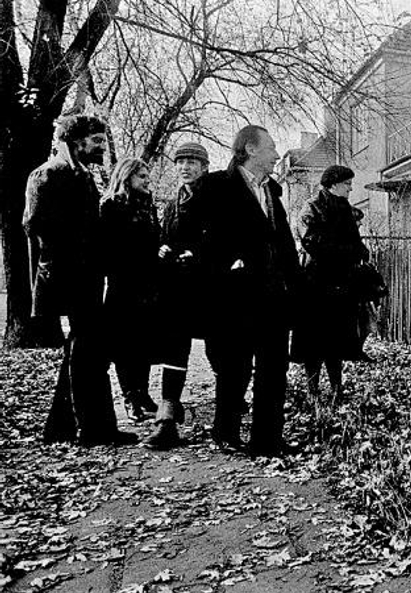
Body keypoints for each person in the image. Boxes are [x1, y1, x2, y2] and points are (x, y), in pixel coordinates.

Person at [23, 114, 138, 447]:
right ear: (76, 142)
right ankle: (95, 430)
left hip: (87, 279)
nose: (102, 146)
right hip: (65, 279)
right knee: (89, 351)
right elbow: (34, 226)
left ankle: (61, 428)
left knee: (85, 351)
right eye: (97, 140)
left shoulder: (84, 176)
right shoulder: (46, 175)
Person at [198, 125, 299, 457]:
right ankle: (225, 432)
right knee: (234, 366)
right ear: (251, 149)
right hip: (235, 296)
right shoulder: (215, 186)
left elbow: (283, 243)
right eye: (271, 148)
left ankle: (267, 439)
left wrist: (293, 285)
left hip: (273, 295)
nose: (275, 154)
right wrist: (225, 265)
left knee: (274, 367)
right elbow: (196, 235)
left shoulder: (271, 190)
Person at [143, 142, 210, 450]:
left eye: (192, 162)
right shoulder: (172, 202)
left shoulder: (216, 198)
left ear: (204, 166)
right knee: (174, 349)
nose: (185, 167)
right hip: (179, 289)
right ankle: (166, 418)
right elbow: (165, 236)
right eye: (181, 162)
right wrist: (164, 248)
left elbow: (226, 238)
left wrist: (199, 254)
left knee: (222, 352)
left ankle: (230, 414)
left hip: (213, 287)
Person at [291, 165, 370, 403]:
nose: (350, 188)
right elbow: (312, 241)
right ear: (333, 184)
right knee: (313, 342)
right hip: (315, 285)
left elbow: (355, 242)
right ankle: (312, 389)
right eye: (347, 184)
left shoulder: (346, 209)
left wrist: (361, 251)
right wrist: (346, 252)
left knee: (337, 340)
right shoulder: (312, 207)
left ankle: (337, 389)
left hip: (341, 285)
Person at [99, 158, 161, 422]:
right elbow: (107, 248)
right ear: (127, 178)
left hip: (148, 284)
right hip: (123, 285)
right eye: (142, 177)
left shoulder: (149, 206)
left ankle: (143, 392)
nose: (147, 181)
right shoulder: (110, 207)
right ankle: (130, 397)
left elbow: (155, 240)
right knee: (125, 346)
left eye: (147, 176)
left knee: (144, 343)